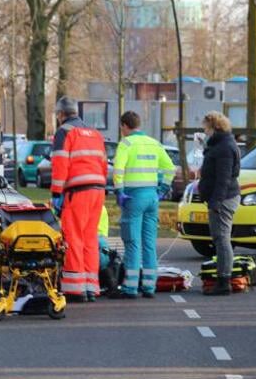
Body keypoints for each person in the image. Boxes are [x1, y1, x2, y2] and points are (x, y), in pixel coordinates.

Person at [109, 111, 175, 299]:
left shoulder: (126, 143)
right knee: (148, 243)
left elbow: (118, 169)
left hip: (132, 197)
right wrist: (162, 189)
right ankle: (149, 286)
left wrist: (119, 191)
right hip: (151, 197)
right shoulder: (154, 143)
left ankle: (130, 288)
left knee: (132, 242)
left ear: (124, 125)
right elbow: (170, 167)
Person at [50, 96, 107, 303]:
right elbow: (103, 164)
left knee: (73, 237)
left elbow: (60, 163)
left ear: (60, 114)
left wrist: (56, 193)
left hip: (77, 190)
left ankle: (75, 288)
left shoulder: (64, 132)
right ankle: (91, 286)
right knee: (90, 238)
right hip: (97, 189)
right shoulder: (95, 133)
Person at [196, 111, 241, 296]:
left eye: (205, 127)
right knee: (220, 238)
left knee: (221, 239)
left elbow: (223, 178)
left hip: (223, 199)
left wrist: (216, 201)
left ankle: (224, 281)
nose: (204, 131)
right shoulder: (221, 144)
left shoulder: (224, 147)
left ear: (214, 126)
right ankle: (223, 277)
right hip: (221, 197)